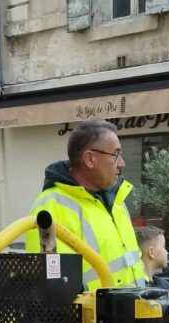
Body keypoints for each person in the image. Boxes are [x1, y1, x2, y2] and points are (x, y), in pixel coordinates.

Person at [25, 119, 146, 289]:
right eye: (115, 154)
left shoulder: (116, 201)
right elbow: (56, 290)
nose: (122, 163)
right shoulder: (50, 208)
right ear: (90, 159)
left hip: (134, 311)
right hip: (97, 315)